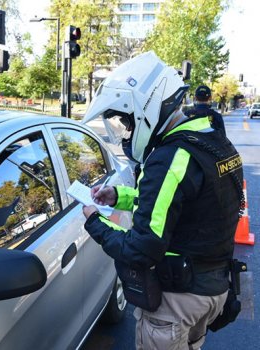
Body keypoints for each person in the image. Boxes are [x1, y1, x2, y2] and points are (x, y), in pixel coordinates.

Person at [81, 51, 244, 350]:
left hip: (178, 300)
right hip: (213, 289)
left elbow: (140, 250)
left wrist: (95, 223)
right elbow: (179, 202)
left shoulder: (170, 158)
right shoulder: (211, 138)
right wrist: (119, 196)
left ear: (147, 108)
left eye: (126, 122)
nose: (127, 133)